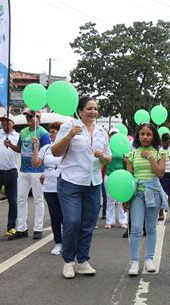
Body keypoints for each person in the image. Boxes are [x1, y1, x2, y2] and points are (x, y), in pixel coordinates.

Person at [51, 96, 111, 279]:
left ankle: (83, 261)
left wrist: (102, 156)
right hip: (70, 182)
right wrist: (69, 136)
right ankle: (68, 261)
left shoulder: (101, 131)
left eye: (95, 108)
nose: (93, 112)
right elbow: (55, 152)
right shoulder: (69, 127)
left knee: (88, 224)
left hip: (93, 183)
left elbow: (109, 157)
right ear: (80, 110)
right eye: (89, 108)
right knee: (72, 221)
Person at [124, 123, 167, 276]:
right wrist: (126, 197)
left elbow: (160, 173)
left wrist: (150, 157)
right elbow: (129, 177)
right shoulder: (132, 154)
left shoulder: (160, 153)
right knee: (135, 228)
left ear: (153, 136)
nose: (145, 137)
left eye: (148, 134)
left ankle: (149, 260)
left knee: (150, 228)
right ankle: (134, 261)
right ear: (138, 136)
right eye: (142, 134)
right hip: (137, 194)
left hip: (153, 193)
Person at [5, 109, 51, 240]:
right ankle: (21, 228)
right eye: (26, 116)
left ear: (38, 118)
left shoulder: (43, 133)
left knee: (38, 199)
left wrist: (46, 172)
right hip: (24, 170)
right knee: (20, 199)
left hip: (38, 170)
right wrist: (11, 145)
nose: (28, 118)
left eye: (31, 116)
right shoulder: (24, 132)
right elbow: (20, 149)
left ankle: (38, 228)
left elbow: (47, 153)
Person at [31, 122, 63, 255]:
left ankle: (69, 242)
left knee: (67, 217)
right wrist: (36, 148)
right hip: (49, 187)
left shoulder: (68, 147)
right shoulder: (46, 148)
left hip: (66, 186)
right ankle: (58, 243)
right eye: (50, 132)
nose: (51, 134)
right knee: (55, 216)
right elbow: (36, 164)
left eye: (54, 132)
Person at [0, 115, 20, 239]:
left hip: (11, 172)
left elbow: (21, 150)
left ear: (13, 123)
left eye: (6, 121)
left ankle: (11, 227)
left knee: (13, 202)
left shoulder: (18, 136)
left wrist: (11, 145)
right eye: (2, 121)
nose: (3, 123)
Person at [104, 128, 127, 230]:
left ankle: (123, 221)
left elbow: (127, 162)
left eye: (116, 135)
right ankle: (109, 221)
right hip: (109, 175)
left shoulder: (123, 148)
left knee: (121, 199)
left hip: (121, 176)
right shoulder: (106, 147)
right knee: (110, 199)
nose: (113, 137)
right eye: (112, 135)